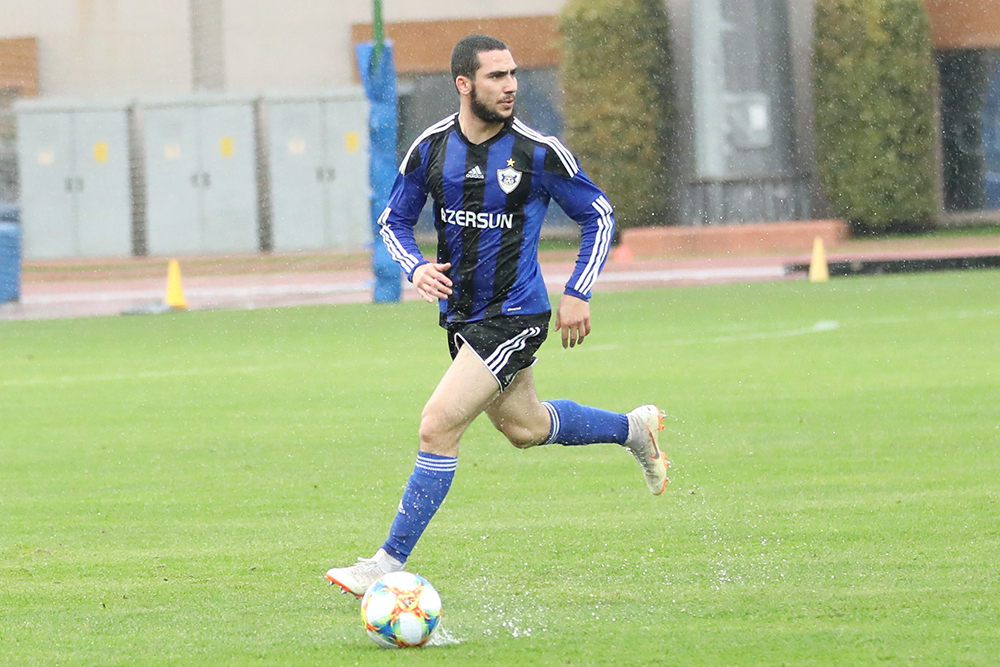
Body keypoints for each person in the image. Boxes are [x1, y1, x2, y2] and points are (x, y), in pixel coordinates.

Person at [326, 34, 669, 597]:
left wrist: (578, 290)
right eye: (496, 76)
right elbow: (393, 220)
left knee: (437, 425)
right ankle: (634, 429)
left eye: (512, 74)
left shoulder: (537, 152)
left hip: (515, 314)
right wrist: (415, 267)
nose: (510, 86)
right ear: (464, 84)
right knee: (524, 428)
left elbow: (599, 215)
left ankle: (386, 563)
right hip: (464, 318)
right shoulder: (432, 148)